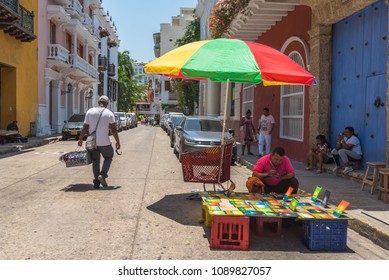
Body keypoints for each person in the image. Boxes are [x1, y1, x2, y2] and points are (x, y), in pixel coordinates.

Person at [78, 96, 120, 189]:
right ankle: (102, 174)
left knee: (95, 161)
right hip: (104, 141)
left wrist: (80, 139)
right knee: (108, 157)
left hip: (92, 142)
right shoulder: (109, 113)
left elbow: (85, 127)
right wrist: (117, 142)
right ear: (107, 103)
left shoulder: (90, 111)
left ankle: (96, 183)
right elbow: (113, 129)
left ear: (98, 102)